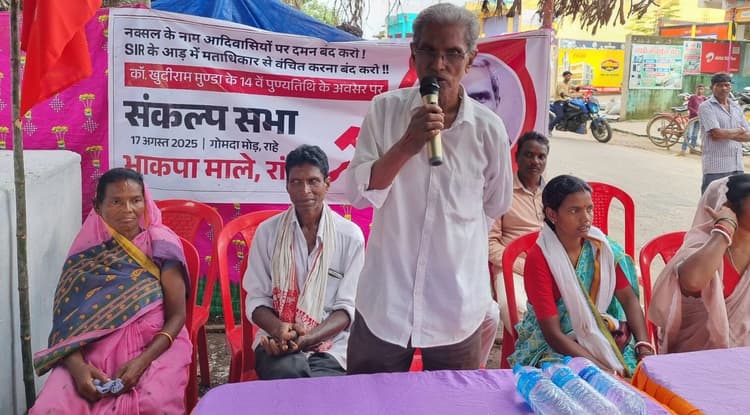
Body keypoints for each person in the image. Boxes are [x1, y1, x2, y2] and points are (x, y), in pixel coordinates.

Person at [344, 3, 513, 373]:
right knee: (367, 398)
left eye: (452, 53)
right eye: (429, 51)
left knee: (452, 399)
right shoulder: (384, 111)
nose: (439, 65)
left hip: (456, 305)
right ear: (413, 54)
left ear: (470, 59)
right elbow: (358, 195)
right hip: (385, 303)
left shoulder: (489, 129)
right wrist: (408, 144)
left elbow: (496, 203)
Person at [30, 168, 191, 414]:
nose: (128, 210)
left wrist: (142, 362)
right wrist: (78, 368)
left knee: (152, 404)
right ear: (97, 206)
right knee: (50, 408)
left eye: (135, 200)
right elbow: (66, 327)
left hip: (156, 344)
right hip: (92, 349)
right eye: (116, 202)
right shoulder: (85, 257)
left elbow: (177, 315)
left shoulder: (161, 245)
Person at [508, 175, 651, 377]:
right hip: (555, 346)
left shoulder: (601, 248)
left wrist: (644, 347)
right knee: (577, 383)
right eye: (574, 211)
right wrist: (599, 369)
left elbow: (629, 299)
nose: (586, 218)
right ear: (552, 214)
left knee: (638, 373)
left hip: (600, 329)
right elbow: (553, 334)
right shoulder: (540, 259)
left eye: (589, 209)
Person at [243, 145, 365, 379]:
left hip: (333, 345)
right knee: (288, 374)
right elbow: (257, 299)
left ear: (327, 184)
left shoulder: (350, 237)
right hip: (277, 341)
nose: (304, 190)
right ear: (287, 186)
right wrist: (278, 329)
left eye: (313, 181)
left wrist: (308, 338)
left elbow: (347, 308)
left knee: (323, 383)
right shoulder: (267, 233)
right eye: (296, 182)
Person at [649, 174, 750, 354]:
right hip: (697, 358)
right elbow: (693, 281)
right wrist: (724, 231)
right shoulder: (701, 245)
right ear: (728, 206)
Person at [488, 131, 549, 342]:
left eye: (541, 156)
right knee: (517, 310)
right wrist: (522, 265)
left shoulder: (553, 193)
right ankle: (532, 357)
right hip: (512, 268)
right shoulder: (502, 192)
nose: (535, 161)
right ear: (517, 157)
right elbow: (489, 243)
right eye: (529, 155)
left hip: (551, 265)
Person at [697, 72, 750, 193]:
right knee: (712, 202)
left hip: (737, 166)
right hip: (716, 167)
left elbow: (749, 134)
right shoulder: (706, 107)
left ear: (731, 87)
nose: (724, 88)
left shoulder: (736, 107)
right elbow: (716, 134)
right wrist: (739, 130)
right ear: (712, 87)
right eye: (719, 85)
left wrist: (726, 134)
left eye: (727, 85)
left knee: (736, 203)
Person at [678, 84, 707, 156]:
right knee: (688, 135)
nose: (700, 90)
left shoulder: (704, 98)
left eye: (701, 89)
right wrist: (696, 112)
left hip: (699, 119)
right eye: (699, 89)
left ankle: (692, 149)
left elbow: (706, 107)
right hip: (692, 118)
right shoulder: (693, 97)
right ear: (696, 89)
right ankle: (683, 150)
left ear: (703, 90)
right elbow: (689, 106)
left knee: (695, 135)